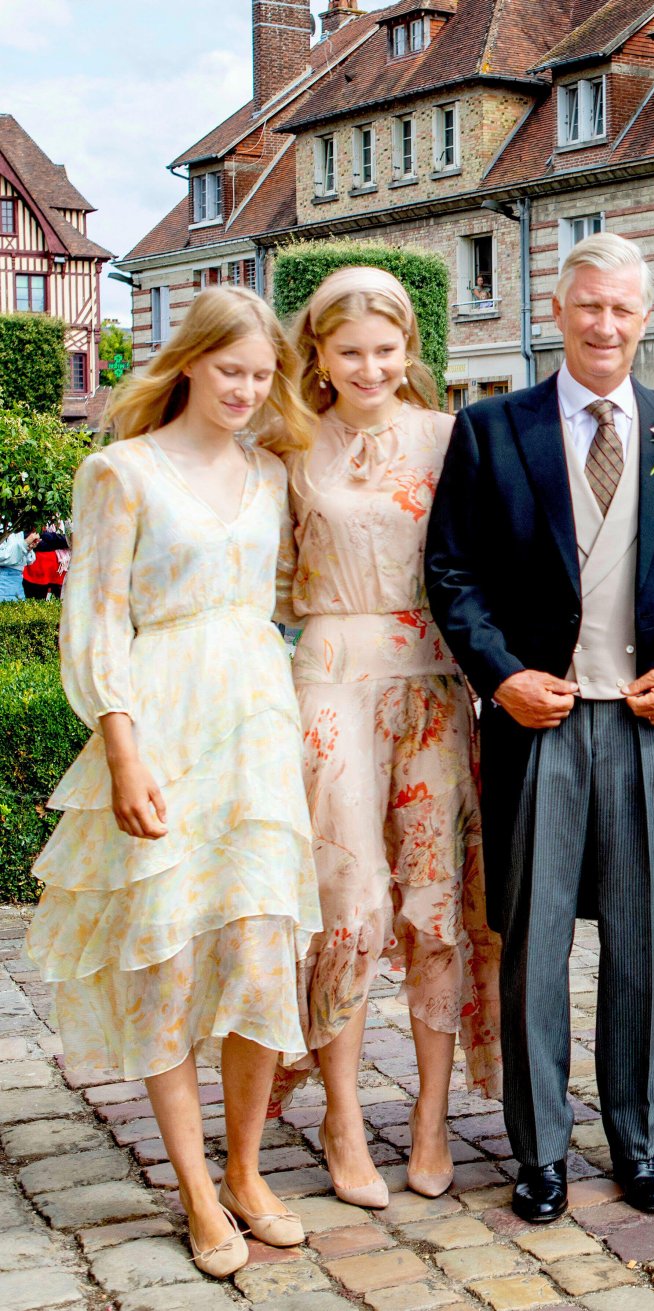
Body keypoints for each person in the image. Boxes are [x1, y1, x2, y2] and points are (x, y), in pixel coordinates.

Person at [426, 232, 654, 1223]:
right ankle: (541, 1150)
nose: (606, 325)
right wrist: (503, 677)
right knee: (535, 944)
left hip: (646, 724)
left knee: (644, 944)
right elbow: (452, 574)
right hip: (538, 724)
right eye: (588, 306)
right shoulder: (491, 430)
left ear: (648, 320)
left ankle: (638, 1143)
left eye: (624, 310)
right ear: (558, 311)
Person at [26, 287, 323, 1278]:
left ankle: (244, 1171)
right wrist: (122, 748)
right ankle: (195, 1189)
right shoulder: (121, 471)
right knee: (166, 959)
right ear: (188, 362)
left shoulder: (271, 473)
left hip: (256, 726)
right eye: (228, 369)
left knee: (256, 957)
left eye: (259, 375)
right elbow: (96, 620)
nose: (245, 391)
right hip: (163, 721)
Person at [270, 265, 501, 1208]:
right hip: (330, 677)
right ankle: (343, 1118)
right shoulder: (284, 443)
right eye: (350, 350)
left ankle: (434, 1116)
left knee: (436, 901)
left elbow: (488, 563)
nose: (371, 365)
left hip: (434, 683)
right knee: (351, 900)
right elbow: (266, 575)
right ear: (318, 353)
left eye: (387, 347)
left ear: (410, 348)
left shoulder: (451, 438)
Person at [22, 528, 70, 599]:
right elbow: (32, 540)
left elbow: (73, 539)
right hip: (37, 570)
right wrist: (61, 542)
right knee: (36, 603)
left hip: (61, 570)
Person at [0, 526, 37, 600]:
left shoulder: (16, 524)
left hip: (18, 581)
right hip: (4, 580)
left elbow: (28, 560)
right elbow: (2, 557)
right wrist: (24, 544)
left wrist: (28, 548)